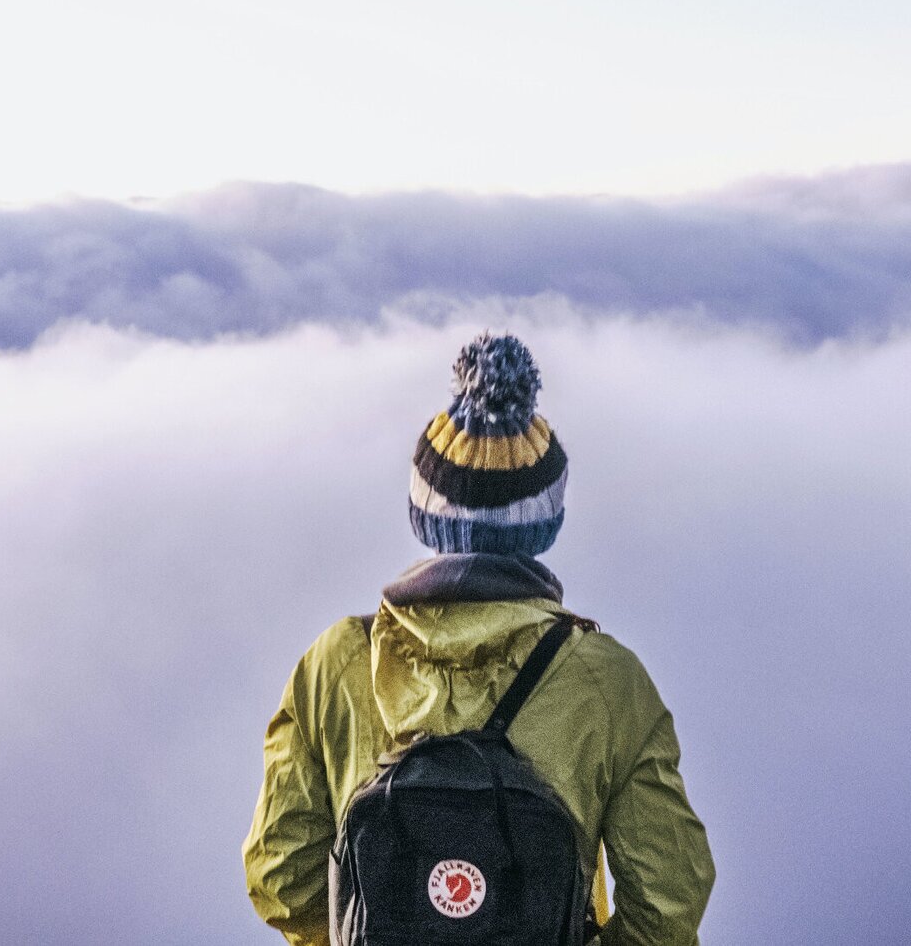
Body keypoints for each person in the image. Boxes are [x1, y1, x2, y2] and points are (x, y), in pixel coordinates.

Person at [242, 333, 715, 945]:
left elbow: (279, 874)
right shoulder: (607, 682)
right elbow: (669, 900)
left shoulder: (335, 664)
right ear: (545, 524)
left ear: (424, 515)